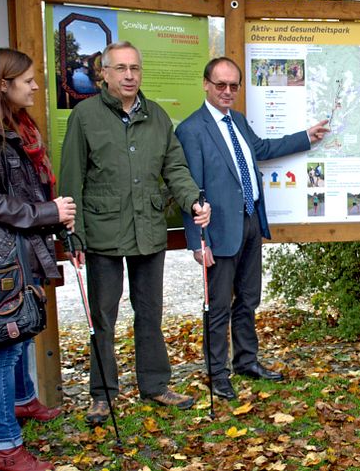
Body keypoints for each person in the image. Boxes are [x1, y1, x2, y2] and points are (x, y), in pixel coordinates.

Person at [59, 41, 211, 424]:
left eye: (135, 68)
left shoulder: (157, 116)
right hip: (102, 232)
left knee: (150, 312)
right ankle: (102, 394)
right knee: (102, 316)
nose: (129, 75)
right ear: (104, 74)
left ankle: (156, 385)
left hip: (148, 229)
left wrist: (194, 199)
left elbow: (175, 167)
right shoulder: (86, 115)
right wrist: (71, 235)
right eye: (121, 68)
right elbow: (71, 177)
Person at [175, 57, 329, 401]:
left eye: (233, 86)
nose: (227, 91)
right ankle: (217, 374)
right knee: (218, 306)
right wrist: (198, 242)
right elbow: (188, 188)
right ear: (205, 84)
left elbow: (262, 149)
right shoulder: (191, 130)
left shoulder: (238, 121)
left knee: (247, 299)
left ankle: (246, 361)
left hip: (249, 222)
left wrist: (306, 136)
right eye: (220, 85)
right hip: (218, 231)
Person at [0, 48, 76, 471]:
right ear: (3, 84)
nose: (36, 86)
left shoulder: (15, 127)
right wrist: (47, 212)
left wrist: (50, 215)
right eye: (29, 79)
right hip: (0, 258)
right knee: (3, 348)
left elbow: (20, 191)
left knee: (17, 340)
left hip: (16, 249)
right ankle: (5, 448)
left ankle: (21, 402)